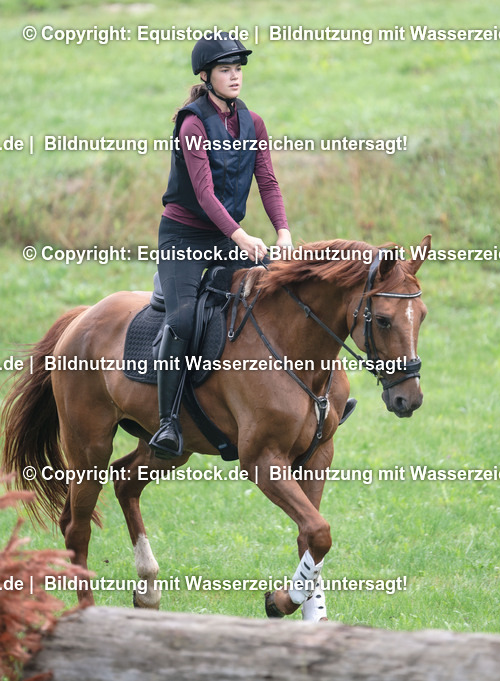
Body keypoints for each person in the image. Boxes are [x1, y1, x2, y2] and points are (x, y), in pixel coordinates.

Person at [149, 35, 293, 459]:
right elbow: (205, 193)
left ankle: (315, 398)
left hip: (225, 236)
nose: (235, 77)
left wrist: (283, 231)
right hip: (184, 238)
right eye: (225, 70)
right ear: (206, 76)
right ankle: (168, 422)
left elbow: (267, 182)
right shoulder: (192, 125)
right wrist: (242, 237)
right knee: (183, 319)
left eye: (238, 69)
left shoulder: (253, 123)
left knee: (284, 291)